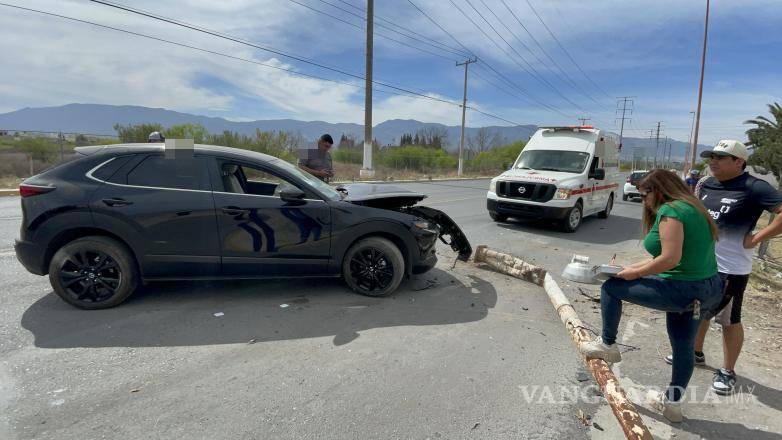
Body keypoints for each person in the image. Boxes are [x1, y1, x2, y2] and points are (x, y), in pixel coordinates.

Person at [580, 169, 723, 423]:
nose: (643, 201)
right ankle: (673, 405)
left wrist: (633, 276)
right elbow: (668, 258)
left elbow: (669, 259)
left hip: (683, 288)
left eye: (644, 195)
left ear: (658, 191)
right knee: (683, 345)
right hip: (706, 288)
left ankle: (608, 345)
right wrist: (631, 269)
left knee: (610, 288)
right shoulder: (693, 207)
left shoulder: (671, 211)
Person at [664, 140, 782, 395]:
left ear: (739, 162)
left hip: (732, 268)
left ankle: (728, 370)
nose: (713, 161)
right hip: (701, 263)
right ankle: (695, 353)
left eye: (721, 157)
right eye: (711, 157)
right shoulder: (707, 183)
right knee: (698, 311)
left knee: (728, 320)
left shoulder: (755, 187)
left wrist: (758, 237)